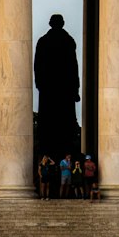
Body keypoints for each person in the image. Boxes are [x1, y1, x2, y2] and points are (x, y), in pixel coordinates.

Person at [34, 14, 80, 163]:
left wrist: (40, 84)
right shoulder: (68, 41)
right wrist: (75, 89)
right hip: (64, 91)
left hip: (49, 91)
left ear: (50, 24)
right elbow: (74, 67)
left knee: (48, 128)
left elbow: (37, 66)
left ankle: (49, 155)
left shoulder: (43, 41)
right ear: (62, 24)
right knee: (66, 128)